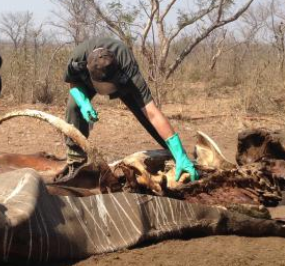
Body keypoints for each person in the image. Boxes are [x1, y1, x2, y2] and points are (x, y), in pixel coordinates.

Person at [58, 37, 199, 182]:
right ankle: (76, 162)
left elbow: (152, 112)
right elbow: (73, 83)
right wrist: (83, 103)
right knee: (73, 107)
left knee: (147, 116)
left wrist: (179, 153)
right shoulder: (77, 61)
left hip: (122, 83)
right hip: (87, 82)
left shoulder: (128, 69)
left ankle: (178, 157)